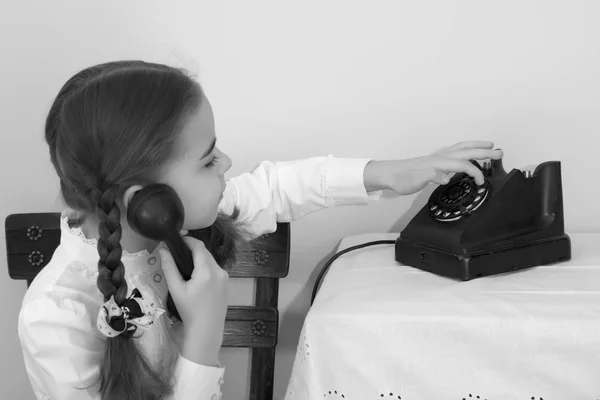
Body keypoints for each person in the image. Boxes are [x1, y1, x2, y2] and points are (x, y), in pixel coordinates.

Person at [17, 60, 503, 400]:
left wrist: (394, 172)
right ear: (144, 202)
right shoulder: (56, 317)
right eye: (209, 158)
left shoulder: (170, 224)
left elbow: (277, 186)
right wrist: (204, 332)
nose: (226, 162)